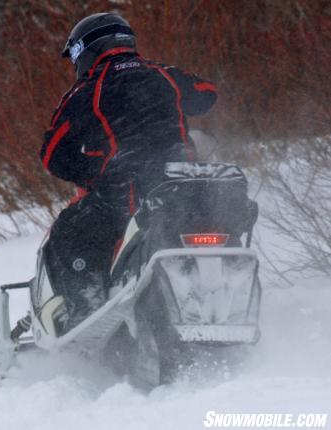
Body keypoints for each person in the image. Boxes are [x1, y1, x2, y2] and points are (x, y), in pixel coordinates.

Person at [40, 12, 217, 330]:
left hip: (127, 193)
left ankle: (86, 308)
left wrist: (93, 173)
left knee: (66, 233)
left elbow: (52, 154)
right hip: (182, 188)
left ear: (86, 50)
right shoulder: (164, 75)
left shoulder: (86, 92)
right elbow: (206, 94)